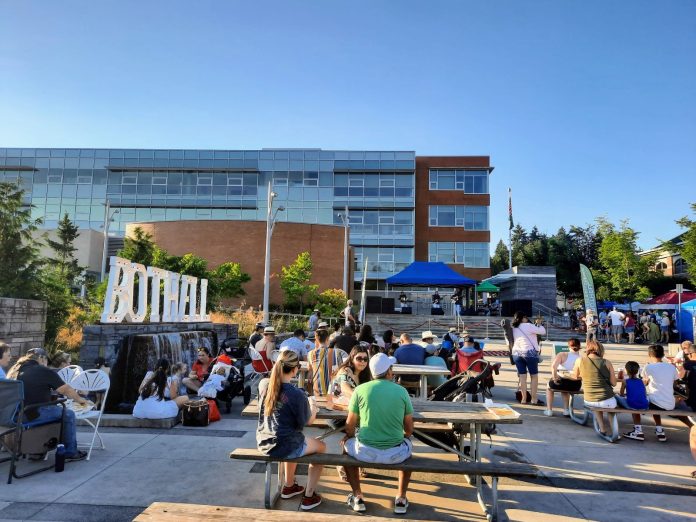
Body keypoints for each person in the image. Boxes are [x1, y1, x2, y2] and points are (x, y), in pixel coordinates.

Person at [341, 353, 414, 514]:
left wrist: (350, 437)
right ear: (388, 372)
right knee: (409, 448)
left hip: (365, 452)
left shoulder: (360, 390)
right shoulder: (402, 391)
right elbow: (409, 429)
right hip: (396, 453)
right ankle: (401, 498)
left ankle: (357, 495)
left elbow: (349, 426)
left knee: (345, 448)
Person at [257, 350, 325, 511]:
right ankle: (309, 496)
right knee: (321, 447)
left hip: (264, 442)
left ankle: (289, 485)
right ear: (295, 370)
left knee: (295, 438)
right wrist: (313, 407)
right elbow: (307, 421)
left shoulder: (265, 385)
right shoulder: (296, 394)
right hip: (284, 444)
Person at [8, 348, 88, 461]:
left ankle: (36, 451)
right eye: (46, 361)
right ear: (41, 358)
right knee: (68, 414)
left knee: (46, 411)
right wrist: (80, 400)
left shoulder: (14, 370)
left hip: (12, 416)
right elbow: (65, 390)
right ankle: (70, 452)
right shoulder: (42, 370)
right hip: (30, 413)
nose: (46, 364)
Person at [328, 345, 372, 481]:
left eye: (365, 359)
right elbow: (345, 388)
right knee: (364, 426)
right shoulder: (344, 371)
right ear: (352, 358)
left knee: (367, 423)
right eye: (359, 358)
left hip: (351, 413)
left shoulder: (364, 375)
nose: (363, 362)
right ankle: (349, 463)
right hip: (336, 414)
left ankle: (354, 460)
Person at [624, 344, 679, 442]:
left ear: (650, 355)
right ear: (663, 354)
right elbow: (674, 384)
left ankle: (638, 430)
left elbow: (643, 383)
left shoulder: (648, 367)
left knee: (636, 400)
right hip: (670, 403)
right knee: (655, 399)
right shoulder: (671, 367)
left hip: (655, 401)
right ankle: (659, 430)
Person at [570, 340, 617, 436]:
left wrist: (586, 376)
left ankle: (602, 429)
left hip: (590, 399)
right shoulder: (606, 362)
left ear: (588, 349)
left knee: (597, 406)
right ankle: (615, 432)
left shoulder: (579, 360)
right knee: (610, 409)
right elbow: (614, 383)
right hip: (607, 400)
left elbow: (575, 377)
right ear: (600, 350)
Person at [511, 311, 546, 406]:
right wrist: (539, 324)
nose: (527, 318)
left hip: (516, 353)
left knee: (522, 377)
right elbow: (543, 332)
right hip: (529, 353)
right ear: (522, 318)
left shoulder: (514, 327)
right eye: (525, 317)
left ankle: (524, 399)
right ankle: (534, 399)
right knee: (534, 376)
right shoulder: (528, 325)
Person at [544, 338, 583, 417]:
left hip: (561, 381)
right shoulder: (582, 358)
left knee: (549, 387)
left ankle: (549, 410)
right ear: (579, 346)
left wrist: (554, 377)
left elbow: (553, 366)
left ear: (568, 346)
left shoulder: (562, 354)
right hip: (575, 385)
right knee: (565, 390)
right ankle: (566, 410)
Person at [307, 329, 348, 396]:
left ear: (316, 339)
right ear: (327, 339)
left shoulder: (310, 354)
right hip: (333, 393)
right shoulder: (337, 353)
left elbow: (310, 375)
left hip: (317, 393)